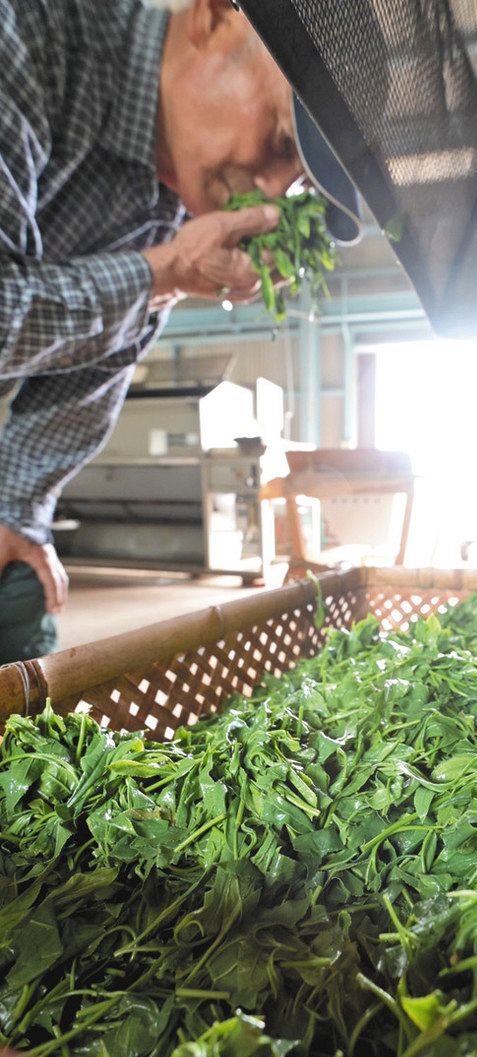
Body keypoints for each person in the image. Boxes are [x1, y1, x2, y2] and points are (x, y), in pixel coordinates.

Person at [0, 0, 356, 664]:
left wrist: (15, 511)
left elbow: (87, 375)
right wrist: (162, 273)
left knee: (18, 598)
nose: (272, 192)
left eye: (298, 179)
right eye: (281, 140)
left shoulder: (170, 201)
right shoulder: (30, 32)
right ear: (215, 18)